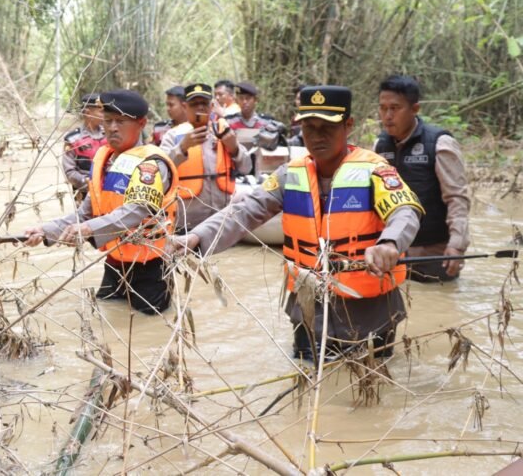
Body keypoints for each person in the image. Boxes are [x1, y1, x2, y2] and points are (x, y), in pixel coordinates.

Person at [174, 86, 423, 361]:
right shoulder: (289, 174)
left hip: (370, 313)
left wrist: (390, 243)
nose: (317, 136)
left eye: (327, 127)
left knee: (372, 379)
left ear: (348, 125)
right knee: (305, 372)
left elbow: (405, 210)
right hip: (307, 312)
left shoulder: (375, 171)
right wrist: (196, 236)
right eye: (309, 128)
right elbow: (245, 211)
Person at [24, 90, 178, 314]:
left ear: (141, 124)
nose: (112, 128)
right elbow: (86, 212)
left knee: (151, 324)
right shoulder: (105, 160)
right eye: (108, 120)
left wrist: (87, 229)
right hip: (115, 263)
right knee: (106, 314)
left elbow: (136, 211)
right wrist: (46, 231)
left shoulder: (151, 163)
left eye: (120, 122)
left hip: (151, 268)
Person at [374, 75, 470, 282]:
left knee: (439, 298)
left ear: (415, 109)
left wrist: (457, 245)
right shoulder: (379, 146)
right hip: (393, 252)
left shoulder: (439, 143)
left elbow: (457, 198)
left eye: (395, 108)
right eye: (383, 108)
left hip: (434, 252)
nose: (387, 115)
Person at [159, 83, 251, 232]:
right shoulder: (173, 136)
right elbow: (160, 174)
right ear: (185, 107)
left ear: (212, 106)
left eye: (204, 103)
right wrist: (182, 148)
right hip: (185, 225)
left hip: (222, 223)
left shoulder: (224, 132)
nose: (200, 108)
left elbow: (246, 168)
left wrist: (234, 148)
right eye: (194, 104)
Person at [62, 93, 106, 199]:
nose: (104, 115)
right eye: (101, 111)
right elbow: (70, 172)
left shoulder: (109, 135)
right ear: (87, 112)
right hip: (85, 194)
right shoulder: (73, 139)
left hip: (109, 192)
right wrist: (89, 183)